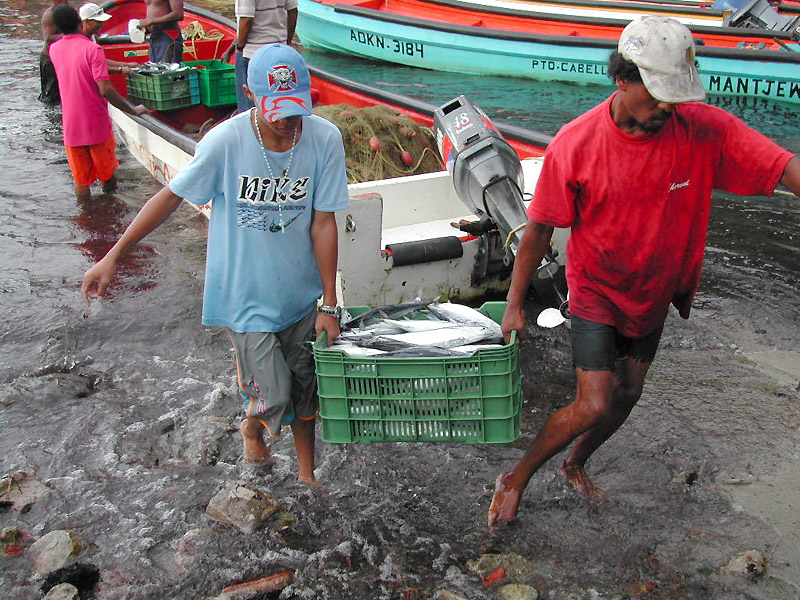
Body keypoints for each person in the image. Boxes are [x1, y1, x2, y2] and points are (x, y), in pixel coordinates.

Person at [488, 15, 800, 529]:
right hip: (595, 289)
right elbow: (539, 231)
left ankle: (574, 463)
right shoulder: (576, 143)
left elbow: (781, 165)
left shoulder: (704, 130)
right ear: (622, 78)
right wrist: (516, 305)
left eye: (674, 98)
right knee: (593, 403)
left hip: (654, 291)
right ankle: (516, 477)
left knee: (627, 396)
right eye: (655, 95)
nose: (664, 109)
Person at [80, 44, 350, 484]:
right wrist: (113, 255)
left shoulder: (324, 139)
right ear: (248, 93)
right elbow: (170, 197)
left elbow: (324, 223)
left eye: (296, 108)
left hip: (301, 295)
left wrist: (329, 302)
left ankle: (306, 475)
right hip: (245, 297)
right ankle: (251, 425)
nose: (287, 121)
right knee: (276, 395)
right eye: (276, 109)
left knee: (306, 393)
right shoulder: (225, 142)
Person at [50, 4, 148, 196]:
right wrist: (132, 110)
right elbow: (105, 89)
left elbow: (80, 66)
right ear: (80, 22)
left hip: (71, 126)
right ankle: (109, 215)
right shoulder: (92, 48)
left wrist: (121, 67)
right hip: (96, 123)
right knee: (108, 176)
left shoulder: (55, 49)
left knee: (81, 180)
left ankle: (86, 219)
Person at [221, 0, 298, 113]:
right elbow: (293, 12)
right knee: (277, 104)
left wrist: (239, 47)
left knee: (250, 107)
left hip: (252, 55)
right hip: (280, 51)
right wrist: (287, 42)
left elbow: (246, 19)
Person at [78, 3, 139, 75]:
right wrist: (121, 69)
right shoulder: (79, 42)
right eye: (98, 22)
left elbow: (99, 60)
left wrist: (126, 65)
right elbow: (95, 67)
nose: (102, 25)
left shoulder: (93, 36)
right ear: (87, 21)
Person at [39, 0, 69, 105]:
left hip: (61, 58)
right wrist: (70, 35)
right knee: (50, 97)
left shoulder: (66, 10)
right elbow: (49, 39)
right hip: (49, 60)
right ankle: (50, 119)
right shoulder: (50, 15)